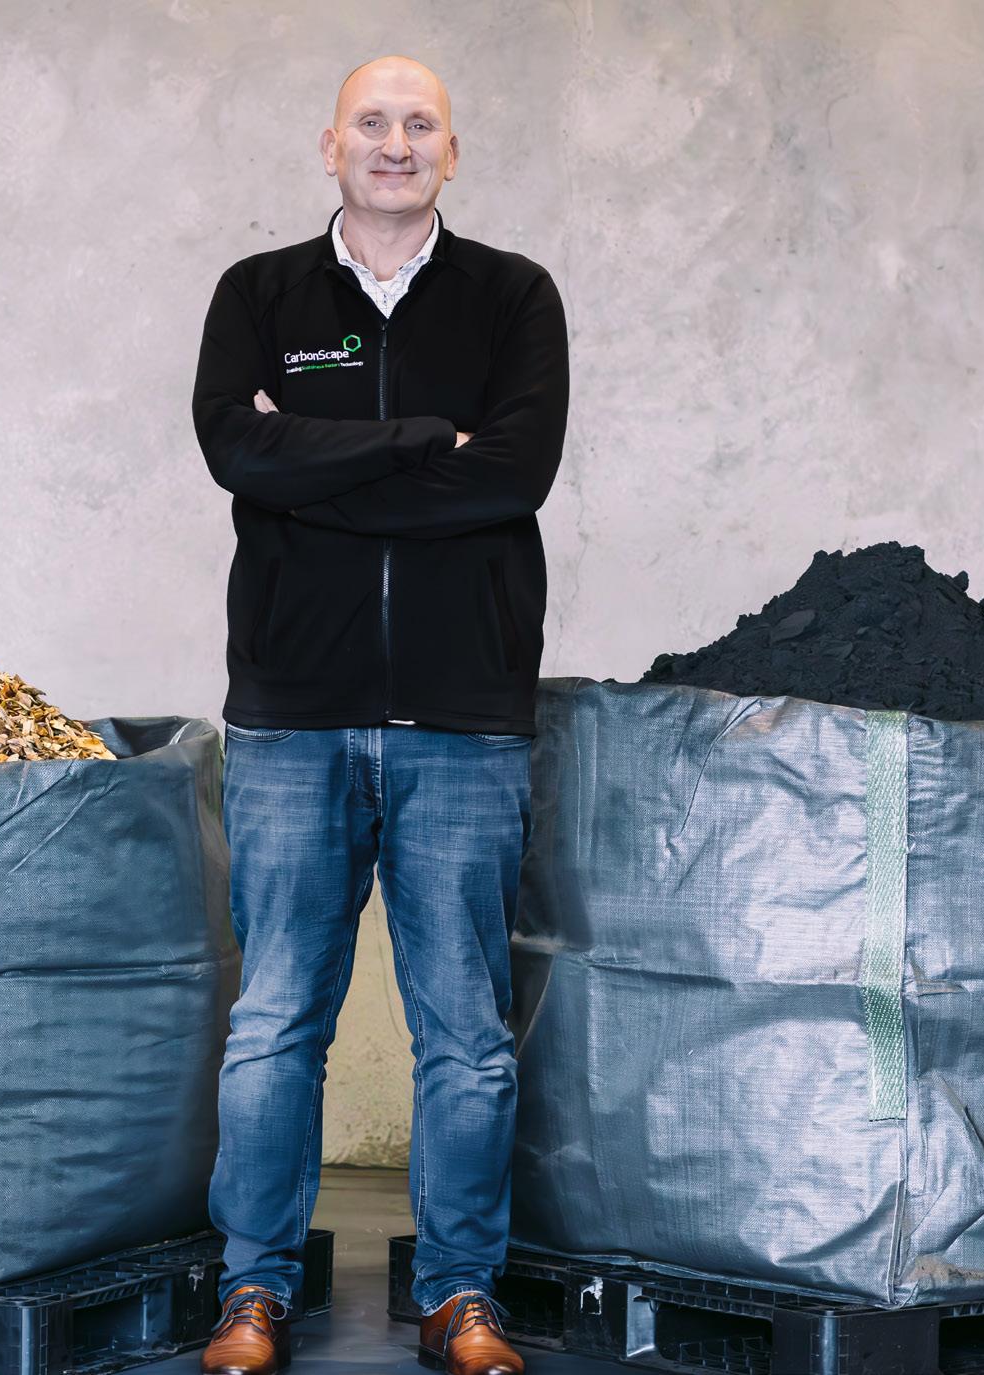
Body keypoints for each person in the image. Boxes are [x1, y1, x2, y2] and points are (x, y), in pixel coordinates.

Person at [188, 52, 569, 1375]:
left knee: (465, 1032)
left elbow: (511, 478)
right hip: (293, 717)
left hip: (464, 721)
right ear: (330, 145)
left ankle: (461, 1295)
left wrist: (315, 465)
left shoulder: (514, 299)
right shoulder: (260, 295)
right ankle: (253, 1292)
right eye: (372, 122)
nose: (395, 143)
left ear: (452, 153)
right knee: (275, 1019)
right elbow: (235, 452)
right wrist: (418, 442)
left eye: (420, 125)